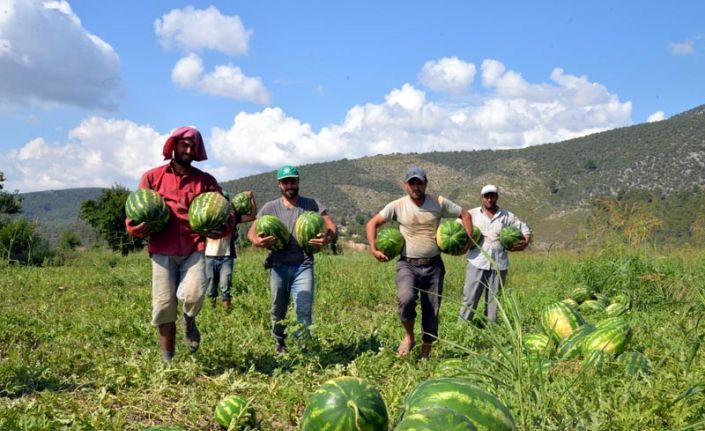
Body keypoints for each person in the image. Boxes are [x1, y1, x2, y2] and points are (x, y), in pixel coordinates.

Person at [125, 126, 231, 362]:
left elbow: (226, 212)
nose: (188, 149)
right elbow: (134, 213)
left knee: (195, 292)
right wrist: (135, 227)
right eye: (184, 144)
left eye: (193, 146)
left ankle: (189, 319)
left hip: (194, 246)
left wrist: (222, 228)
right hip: (162, 248)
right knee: (163, 306)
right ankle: (167, 360)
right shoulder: (152, 177)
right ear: (174, 145)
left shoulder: (206, 181)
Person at [366, 166, 473, 360]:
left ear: (426, 184)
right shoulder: (397, 205)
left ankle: (426, 352)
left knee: (431, 309)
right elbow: (372, 223)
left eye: (419, 182)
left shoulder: (438, 202)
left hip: (434, 266)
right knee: (406, 299)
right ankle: (409, 336)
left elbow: (465, 214)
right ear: (406, 185)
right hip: (408, 264)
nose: (416, 186)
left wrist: (467, 241)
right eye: (412, 183)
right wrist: (374, 248)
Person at [247, 165, 337, 354]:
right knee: (277, 309)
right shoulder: (270, 207)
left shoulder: (311, 204)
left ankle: (305, 346)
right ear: (279, 184)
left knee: (303, 308)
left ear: (298, 182)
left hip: (303, 264)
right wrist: (257, 241)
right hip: (278, 265)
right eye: (285, 182)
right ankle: (280, 342)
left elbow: (331, 225)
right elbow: (251, 232)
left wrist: (326, 239)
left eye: (292, 181)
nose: (289, 185)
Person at [459, 184, 531, 326]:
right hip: (477, 261)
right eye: (487, 196)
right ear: (482, 198)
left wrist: (526, 241)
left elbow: (523, 227)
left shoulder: (506, 216)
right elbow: (456, 226)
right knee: (470, 298)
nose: (490, 199)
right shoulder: (472, 214)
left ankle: (490, 328)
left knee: (494, 301)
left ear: (496, 197)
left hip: (499, 264)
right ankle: (462, 327)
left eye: (492, 196)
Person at [205, 191, 256, 309]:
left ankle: (226, 314)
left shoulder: (233, 217)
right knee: (210, 288)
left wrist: (252, 198)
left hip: (226, 257)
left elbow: (252, 216)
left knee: (225, 287)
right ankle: (212, 312)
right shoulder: (208, 216)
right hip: (209, 256)